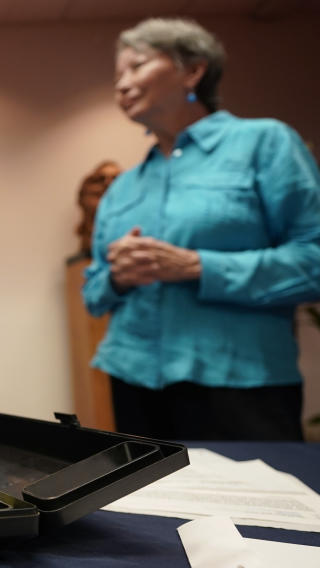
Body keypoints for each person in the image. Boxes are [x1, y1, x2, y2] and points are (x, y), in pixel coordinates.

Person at [83, 18, 320, 440]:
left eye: (136, 67)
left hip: (242, 385)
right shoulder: (123, 187)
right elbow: (93, 293)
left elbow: (313, 260)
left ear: (193, 70)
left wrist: (197, 266)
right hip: (133, 380)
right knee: (144, 508)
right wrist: (118, 277)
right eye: (117, 75)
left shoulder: (265, 143)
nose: (122, 84)